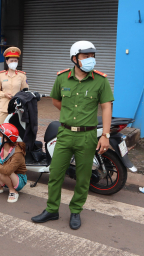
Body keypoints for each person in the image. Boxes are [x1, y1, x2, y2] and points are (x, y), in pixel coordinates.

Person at [31, 41, 114, 230]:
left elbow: (106, 106)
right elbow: (55, 100)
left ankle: (76, 210)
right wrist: (69, 115)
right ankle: (52, 209)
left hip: (87, 136)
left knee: (83, 177)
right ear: (75, 58)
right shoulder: (62, 78)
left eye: (92, 56)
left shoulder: (100, 80)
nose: (91, 59)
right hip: (65, 134)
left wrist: (106, 135)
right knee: (56, 174)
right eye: (86, 56)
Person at [0, 47, 29, 126]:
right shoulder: (0, 75)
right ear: (7, 61)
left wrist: (19, 97)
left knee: (16, 131)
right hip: (3, 108)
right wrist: (4, 94)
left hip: (17, 108)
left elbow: (25, 92)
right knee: (0, 130)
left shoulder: (22, 75)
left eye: (15, 61)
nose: (14, 62)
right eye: (11, 61)